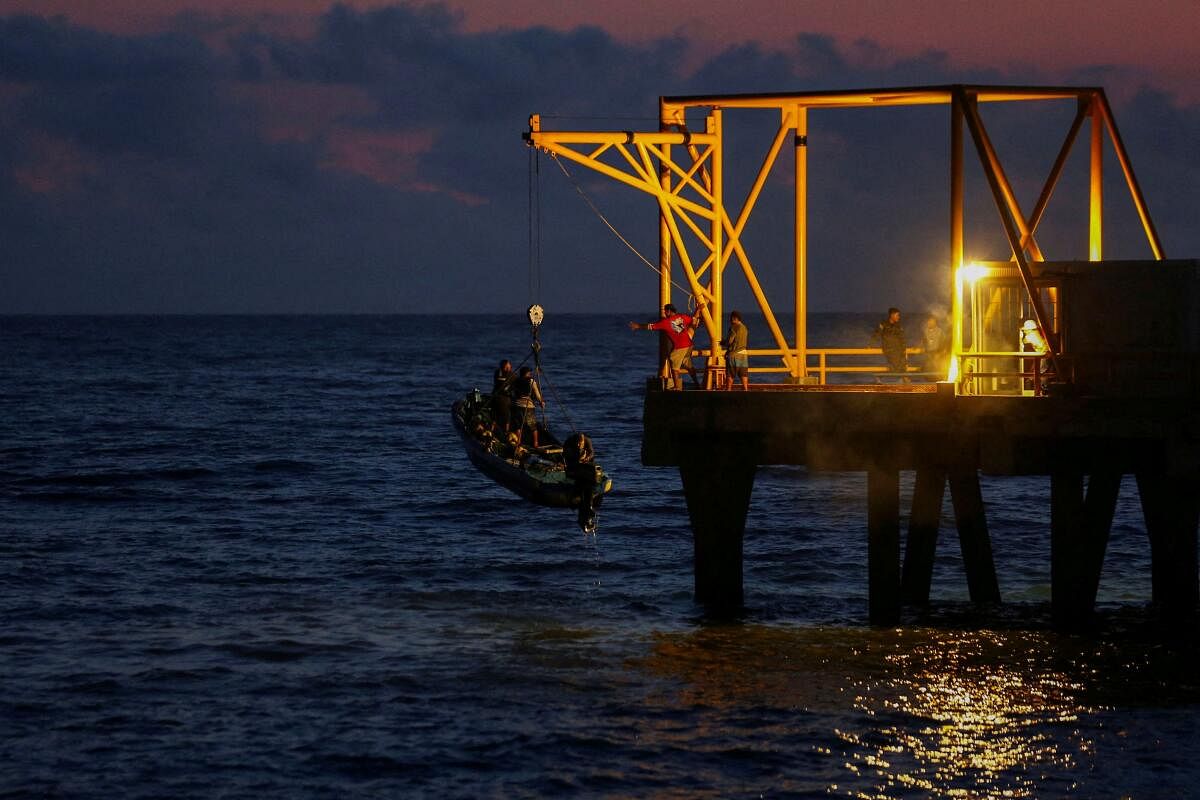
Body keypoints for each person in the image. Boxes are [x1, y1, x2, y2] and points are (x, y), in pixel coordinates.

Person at [629, 302, 706, 390]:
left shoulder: (665, 322)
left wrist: (638, 326)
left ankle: (676, 387)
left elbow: (651, 326)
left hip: (681, 347)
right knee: (688, 365)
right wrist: (698, 309)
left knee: (674, 364)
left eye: (665, 312)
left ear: (669, 311)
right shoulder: (682, 317)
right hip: (689, 345)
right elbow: (694, 319)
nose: (664, 314)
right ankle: (697, 384)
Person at [510, 365, 545, 448]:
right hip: (528, 406)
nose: (531, 374)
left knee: (517, 425)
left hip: (517, 405)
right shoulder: (531, 381)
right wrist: (541, 402)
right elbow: (537, 394)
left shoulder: (515, 381)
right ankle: (535, 443)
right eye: (529, 372)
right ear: (527, 373)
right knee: (532, 425)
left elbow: (512, 393)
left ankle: (518, 442)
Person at [719, 310, 750, 390]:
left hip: (734, 355)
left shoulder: (734, 327)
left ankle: (728, 392)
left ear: (734, 318)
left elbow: (729, 341)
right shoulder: (744, 328)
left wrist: (723, 342)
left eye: (731, 319)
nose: (730, 321)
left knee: (730, 375)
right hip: (744, 354)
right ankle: (746, 391)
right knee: (744, 375)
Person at [872, 307, 908, 374]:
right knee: (898, 367)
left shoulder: (898, 326)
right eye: (897, 315)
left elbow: (902, 339)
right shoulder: (884, 324)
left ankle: (904, 380)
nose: (898, 317)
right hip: (889, 350)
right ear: (892, 315)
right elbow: (876, 334)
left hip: (899, 350)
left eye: (899, 315)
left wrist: (904, 349)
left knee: (903, 366)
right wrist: (871, 344)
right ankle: (900, 377)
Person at [490, 359, 514, 435]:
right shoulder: (509, 374)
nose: (509, 367)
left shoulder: (498, 372)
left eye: (509, 366)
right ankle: (506, 432)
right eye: (507, 366)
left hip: (496, 396)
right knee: (507, 415)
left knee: (495, 414)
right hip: (503, 397)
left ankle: (492, 429)